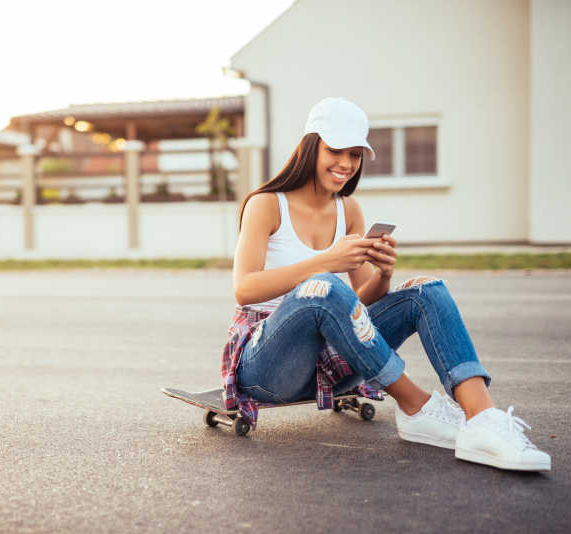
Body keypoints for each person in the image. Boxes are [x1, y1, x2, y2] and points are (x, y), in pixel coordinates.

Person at [222, 97, 551, 472]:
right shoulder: (266, 204)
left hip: (330, 363)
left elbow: (357, 304)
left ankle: (483, 421)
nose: (346, 164)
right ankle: (415, 404)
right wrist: (327, 263)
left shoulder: (349, 210)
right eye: (335, 150)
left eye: (356, 154)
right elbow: (244, 288)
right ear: (310, 145)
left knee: (427, 291)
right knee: (324, 286)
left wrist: (383, 274)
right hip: (268, 367)